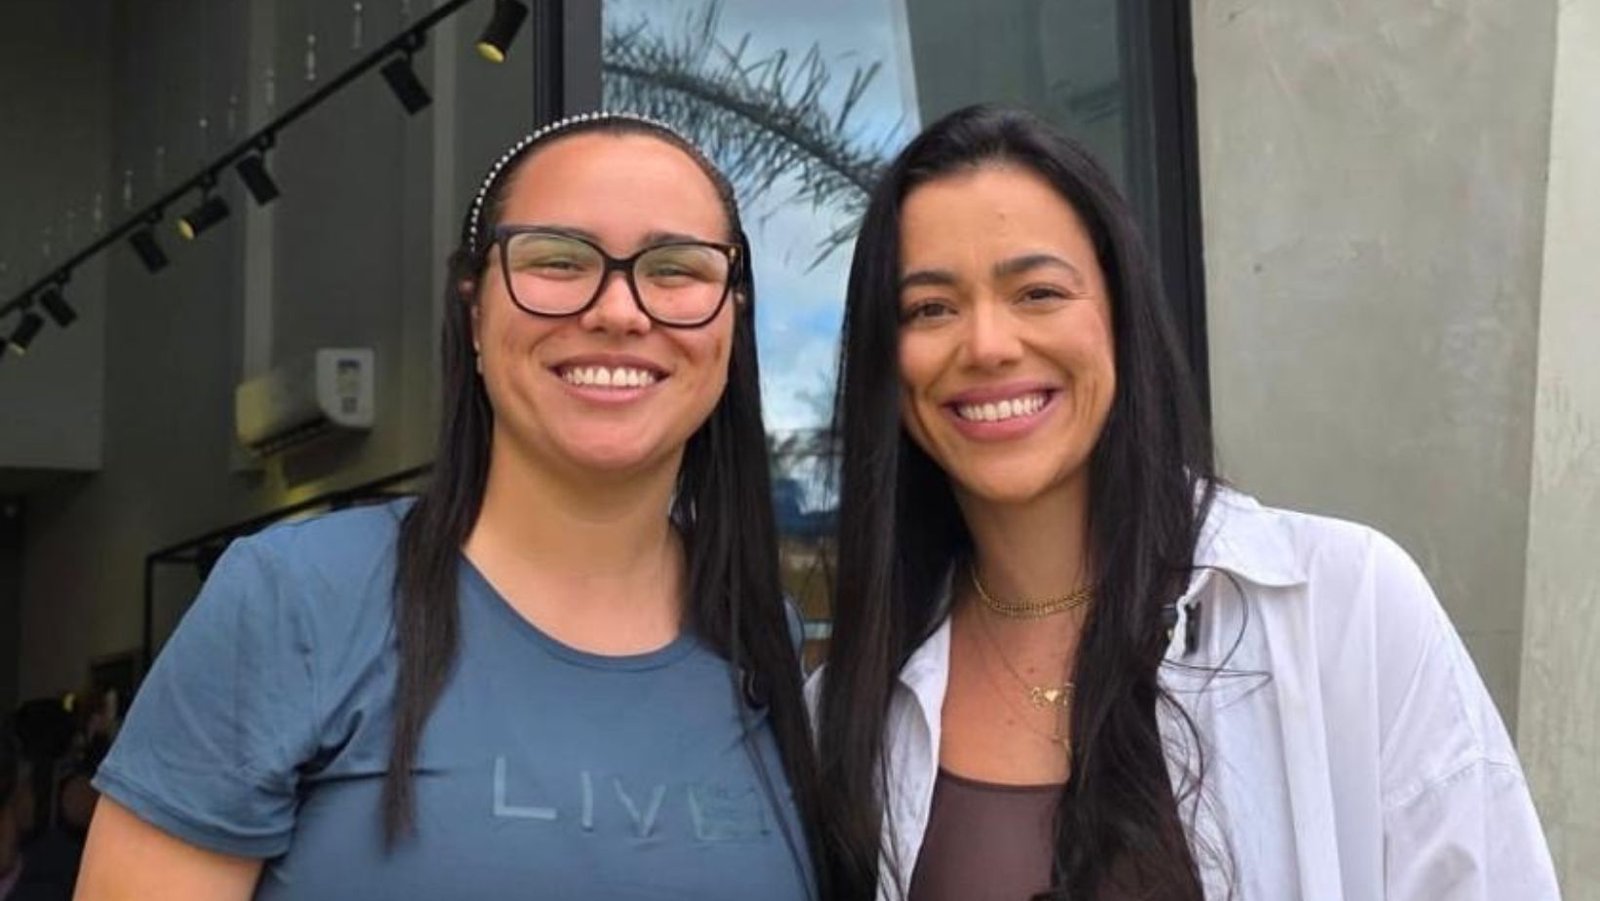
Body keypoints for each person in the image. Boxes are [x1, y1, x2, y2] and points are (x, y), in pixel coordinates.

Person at [811, 104, 1558, 901]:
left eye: (1037, 291)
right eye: (931, 308)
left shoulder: (1345, 607)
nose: (988, 344)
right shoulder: (849, 705)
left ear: (1120, 317)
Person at [76, 111, 823, 900]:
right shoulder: (295, 600)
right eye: (558, 260)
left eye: (676, 268)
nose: (618, 309)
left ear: (733, 321)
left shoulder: (764, 636)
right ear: (473, 312)